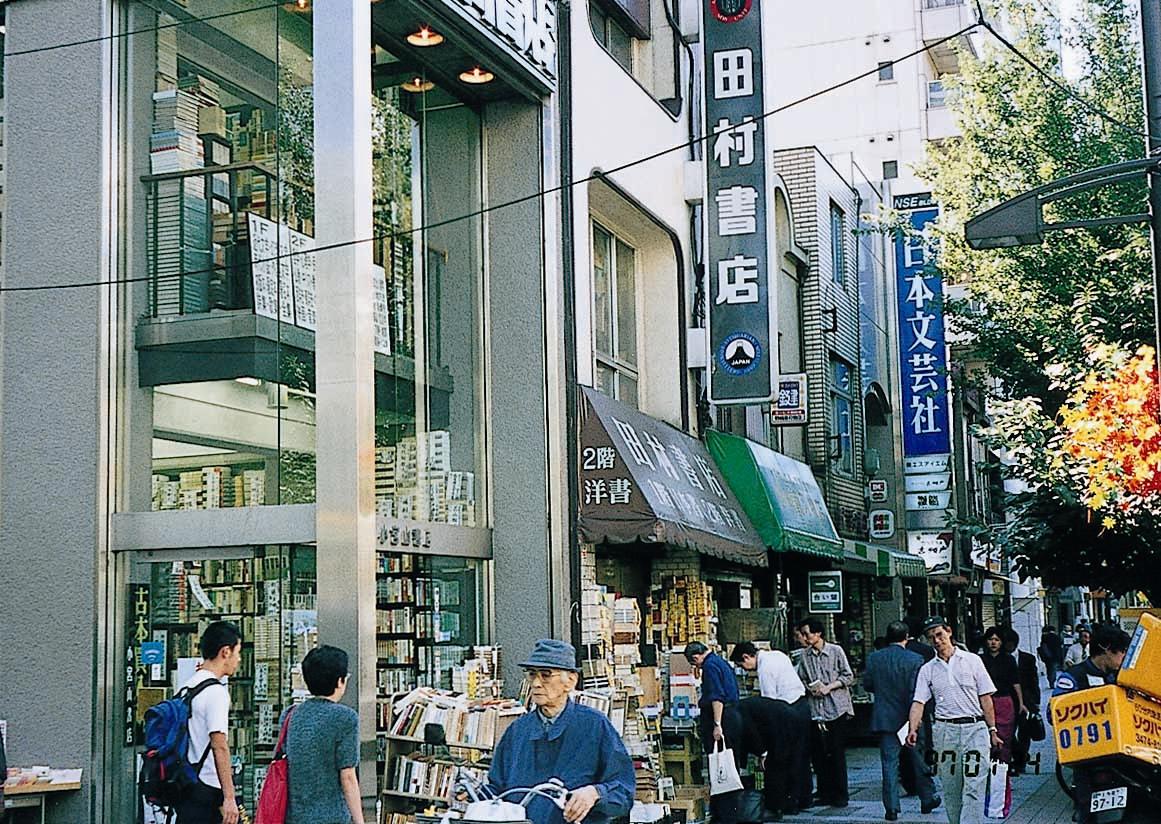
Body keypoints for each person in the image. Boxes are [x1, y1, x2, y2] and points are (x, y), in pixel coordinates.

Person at [488, 639, 633, 824]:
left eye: (546, 675)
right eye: (532, 675)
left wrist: (595, 793)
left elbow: (624, 791)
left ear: (571, 681)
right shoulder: (517, 730)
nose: (536, 683)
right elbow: (495, 789)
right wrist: (470, 795)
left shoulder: (594, 726)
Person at [906, 616, 1002, 824]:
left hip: (975, 730)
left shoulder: (972, 661)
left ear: (949, 632)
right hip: (945, 732)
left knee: (974, 786)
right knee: (951, 787)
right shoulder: (928, 669)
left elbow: (986, 697)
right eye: (932, 638)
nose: (937, 641)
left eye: (939, 635)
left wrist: (992, 729)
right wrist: (913, 728)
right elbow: (918, 702)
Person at [1052, 625, 1133, 824]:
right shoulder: (1073, 676)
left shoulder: (1121, 678)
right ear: (1106, 649)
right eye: (1122, 651)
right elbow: (1054, 713)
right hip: (1088, 762)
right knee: (1087, 813)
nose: (1124, 657)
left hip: (1124, 759)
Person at [864, 621, 941, 822]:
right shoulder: (915, 659)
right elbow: (919, 691)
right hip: (910, 717)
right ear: (906, 636)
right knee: (918, 759)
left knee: (889, 764)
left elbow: (868, 684)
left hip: (886, 718)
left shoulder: (874, 658)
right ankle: (927, 799)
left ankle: (891, 807)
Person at [281, 645, 364, 824]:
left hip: (294, 817)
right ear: (340, 681)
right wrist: (359, 821)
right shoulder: (346, 718)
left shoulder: (289, 715)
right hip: (332, 817)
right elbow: (348, 776)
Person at [729, 642, 811, 814]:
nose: (745, 670)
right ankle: (802, 798)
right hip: (801, 706)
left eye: (742, 665)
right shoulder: (778, 654)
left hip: (784, 712)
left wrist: (764, 751)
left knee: (781, 761)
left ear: (746, 657)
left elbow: (769, 702)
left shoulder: (764, 669)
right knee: (799, 756)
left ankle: (783, 803)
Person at [178, 621, 242, 824]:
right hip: (208, 788)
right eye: (237, 652)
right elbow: (219, 746)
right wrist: (229, 797)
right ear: (225, 652)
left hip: (187, 783)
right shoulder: (216, 692)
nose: (239, 660)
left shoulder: (187, 686)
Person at [795, 619, 855, 808]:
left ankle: (841, 794)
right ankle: (824, 792)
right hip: (815, 709)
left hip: (836, 707)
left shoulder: (836, 651)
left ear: (818, 633)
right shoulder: (804, 656)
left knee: (836, 753)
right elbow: (802, 679)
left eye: (807, 633)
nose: (804, 638)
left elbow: (848, 676)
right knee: (819, 754)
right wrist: (810, 688)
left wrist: (830, 687)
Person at [684, 641, 743, 824]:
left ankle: (725, 815)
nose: (696, 667)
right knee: (727, 764)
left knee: (720, 766)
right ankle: (724, 812)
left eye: (694, 664)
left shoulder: (709, 667)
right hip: (732, 716)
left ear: (696, 657)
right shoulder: (719, 661)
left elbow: (716, 697)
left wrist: (717, 725)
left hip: (721, 718)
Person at [979, 626, 1025, 765]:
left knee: (1005, 735)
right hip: (985, 701)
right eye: (990, 639)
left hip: (1004, 701)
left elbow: (1016, 682)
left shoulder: (1008, 659)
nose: (993, 643)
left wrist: (1021, 703)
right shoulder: (980, 659)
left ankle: (1003, 765)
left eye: (996, 640)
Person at [1004, 628, 1041, 776]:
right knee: (1009, 733)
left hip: (1027, 701)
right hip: (1007, 701)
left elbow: (1034, 680)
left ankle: (1020, 764)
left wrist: (1036, 702)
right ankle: (1020, 756)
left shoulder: (1028, 658)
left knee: (1025, 732)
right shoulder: (1001, 660)